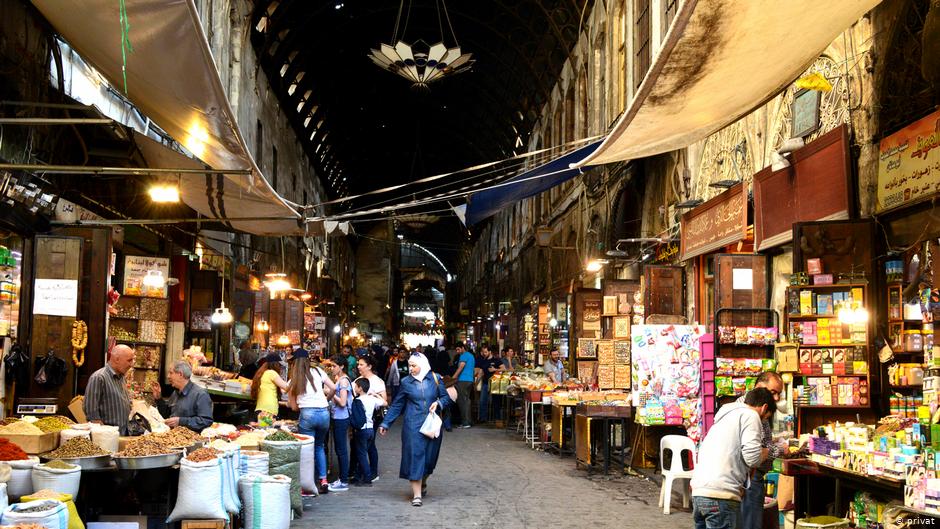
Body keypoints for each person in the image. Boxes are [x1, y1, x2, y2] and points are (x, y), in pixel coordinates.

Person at [691, 387, 775, 529]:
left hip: (699, 494)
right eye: (766, 417)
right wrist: (766, 452)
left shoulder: (725, 416)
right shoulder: (751, 415)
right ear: (764, 407)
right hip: (720, 496)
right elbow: (752, 458)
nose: (763, 421)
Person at [379, 353, 452, 507]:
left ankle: (423, 480)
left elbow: (446, 398)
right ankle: (417, 495)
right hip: (413, 426)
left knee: (429, 459)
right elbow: (397, 404)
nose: (410, 368)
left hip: (432, 426)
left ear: (423, 364)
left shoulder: (435, 378)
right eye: (409, 365)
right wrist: (386, 423)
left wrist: (438, 403)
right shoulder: (406, 382)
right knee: (415, 457)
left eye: (414, 365)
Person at [736, 372, 787, 529]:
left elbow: (761, 441)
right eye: (773, 392)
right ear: (759, 387)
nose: (777, 398)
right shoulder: (751, 410)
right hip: (750, 477)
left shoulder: (750, 406)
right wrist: (779, 449)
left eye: (779, 394)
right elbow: (756, 452)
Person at [286, 348, 335, 494]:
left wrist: (294, 404)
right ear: (308, 360)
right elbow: (333, 387)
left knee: (306, 450)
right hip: (324, 413)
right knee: (319, 447)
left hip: (307, 414)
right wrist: (326, 400)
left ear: (294, 362)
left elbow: (294, 407)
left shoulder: (293, 378)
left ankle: (307, 485)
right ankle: (323, 480)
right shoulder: (319, 371)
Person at [84, 344, 135, 435]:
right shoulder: (99, 377)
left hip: (122, 433)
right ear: (116, 359)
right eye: (129, 360)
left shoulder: (121, 377)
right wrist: (104, 434)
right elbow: (92, 413)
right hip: (107, 438)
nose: (131, 364)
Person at [151, 360, 214, 432]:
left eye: (171, 373)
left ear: (180, 374)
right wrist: (158, 398)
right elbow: (166, 415)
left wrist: (181, 421)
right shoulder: (175, 393)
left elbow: (206, 421)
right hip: (173, 436)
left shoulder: (200, 394)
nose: (168, 376)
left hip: (190, 439)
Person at [354, 354, 386, 482]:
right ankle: (362, 470)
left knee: (370, 444)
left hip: (372, 417)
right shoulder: (358, 380)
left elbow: (384, 400)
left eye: (361, 364)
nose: (358, 367)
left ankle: (372, 472)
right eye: (358, 364)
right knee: (363, 444)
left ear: (369, 366)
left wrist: (374, 395)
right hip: (359, 415)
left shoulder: (377, 381)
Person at [326, 356, 353, 492]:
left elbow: (342, 402)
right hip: (337, 417)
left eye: (334, 366)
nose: (332, 369)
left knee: (341, 449)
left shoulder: (343, 382)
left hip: (341, 418)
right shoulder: (338, 380)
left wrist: (332, 393)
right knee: (339, 448)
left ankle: (343, 480)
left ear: (341, 366)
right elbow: (329, 397)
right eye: (331, 366)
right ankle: (342, 479)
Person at [350, 378, 383, 487]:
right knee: (363, 453)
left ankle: (367, 478)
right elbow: (385, 402)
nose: (354, 388)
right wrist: (375, 394)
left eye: (355, 386)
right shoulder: (371, 399)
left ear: (359, 388)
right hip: (371, 429)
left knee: (362, 455)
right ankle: (358, 477)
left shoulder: (358, 400)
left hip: (361, 430)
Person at [251, 353, 288, 426]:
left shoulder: (262, 373)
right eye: (279, 364)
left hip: (261, 409)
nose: (280, 367)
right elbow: (287, 387)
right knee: (268, 434)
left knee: (262, 433)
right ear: (275, 364)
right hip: (268, 411)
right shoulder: (272, 373)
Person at [475, 345, 502, 423]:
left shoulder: (496, 360)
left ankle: (497, 418)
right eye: (483, 352)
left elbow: (504, 368)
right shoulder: (483, 361)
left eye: (486, 352)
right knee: (482, 401)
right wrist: (476, 384)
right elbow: (481, 372)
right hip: (485, 383)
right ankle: (483, 418)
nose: (484, 353)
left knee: (496, 401)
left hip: (495, 384)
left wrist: (495, 369)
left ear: (490, 352)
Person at [451, 343, 475, 428]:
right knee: (467, 401)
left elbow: (460, 368)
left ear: (462, 348)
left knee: (462, 402)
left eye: (458, 349)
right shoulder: (471, 356)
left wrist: (453, 378)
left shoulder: (464, 356)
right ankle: (468, 421)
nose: (457, 351)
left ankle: (465, 423)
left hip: (463, 380)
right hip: (470, 380)